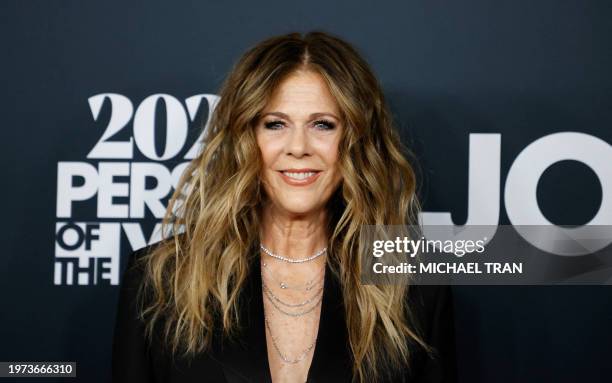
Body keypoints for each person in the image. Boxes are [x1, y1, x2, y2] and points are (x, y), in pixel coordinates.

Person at [112, 31, 456, 383]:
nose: (298, 147)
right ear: (246, 138)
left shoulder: (413, 286)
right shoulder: (161, 278)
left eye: (323, 125)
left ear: (355, 141)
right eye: (275, 124)